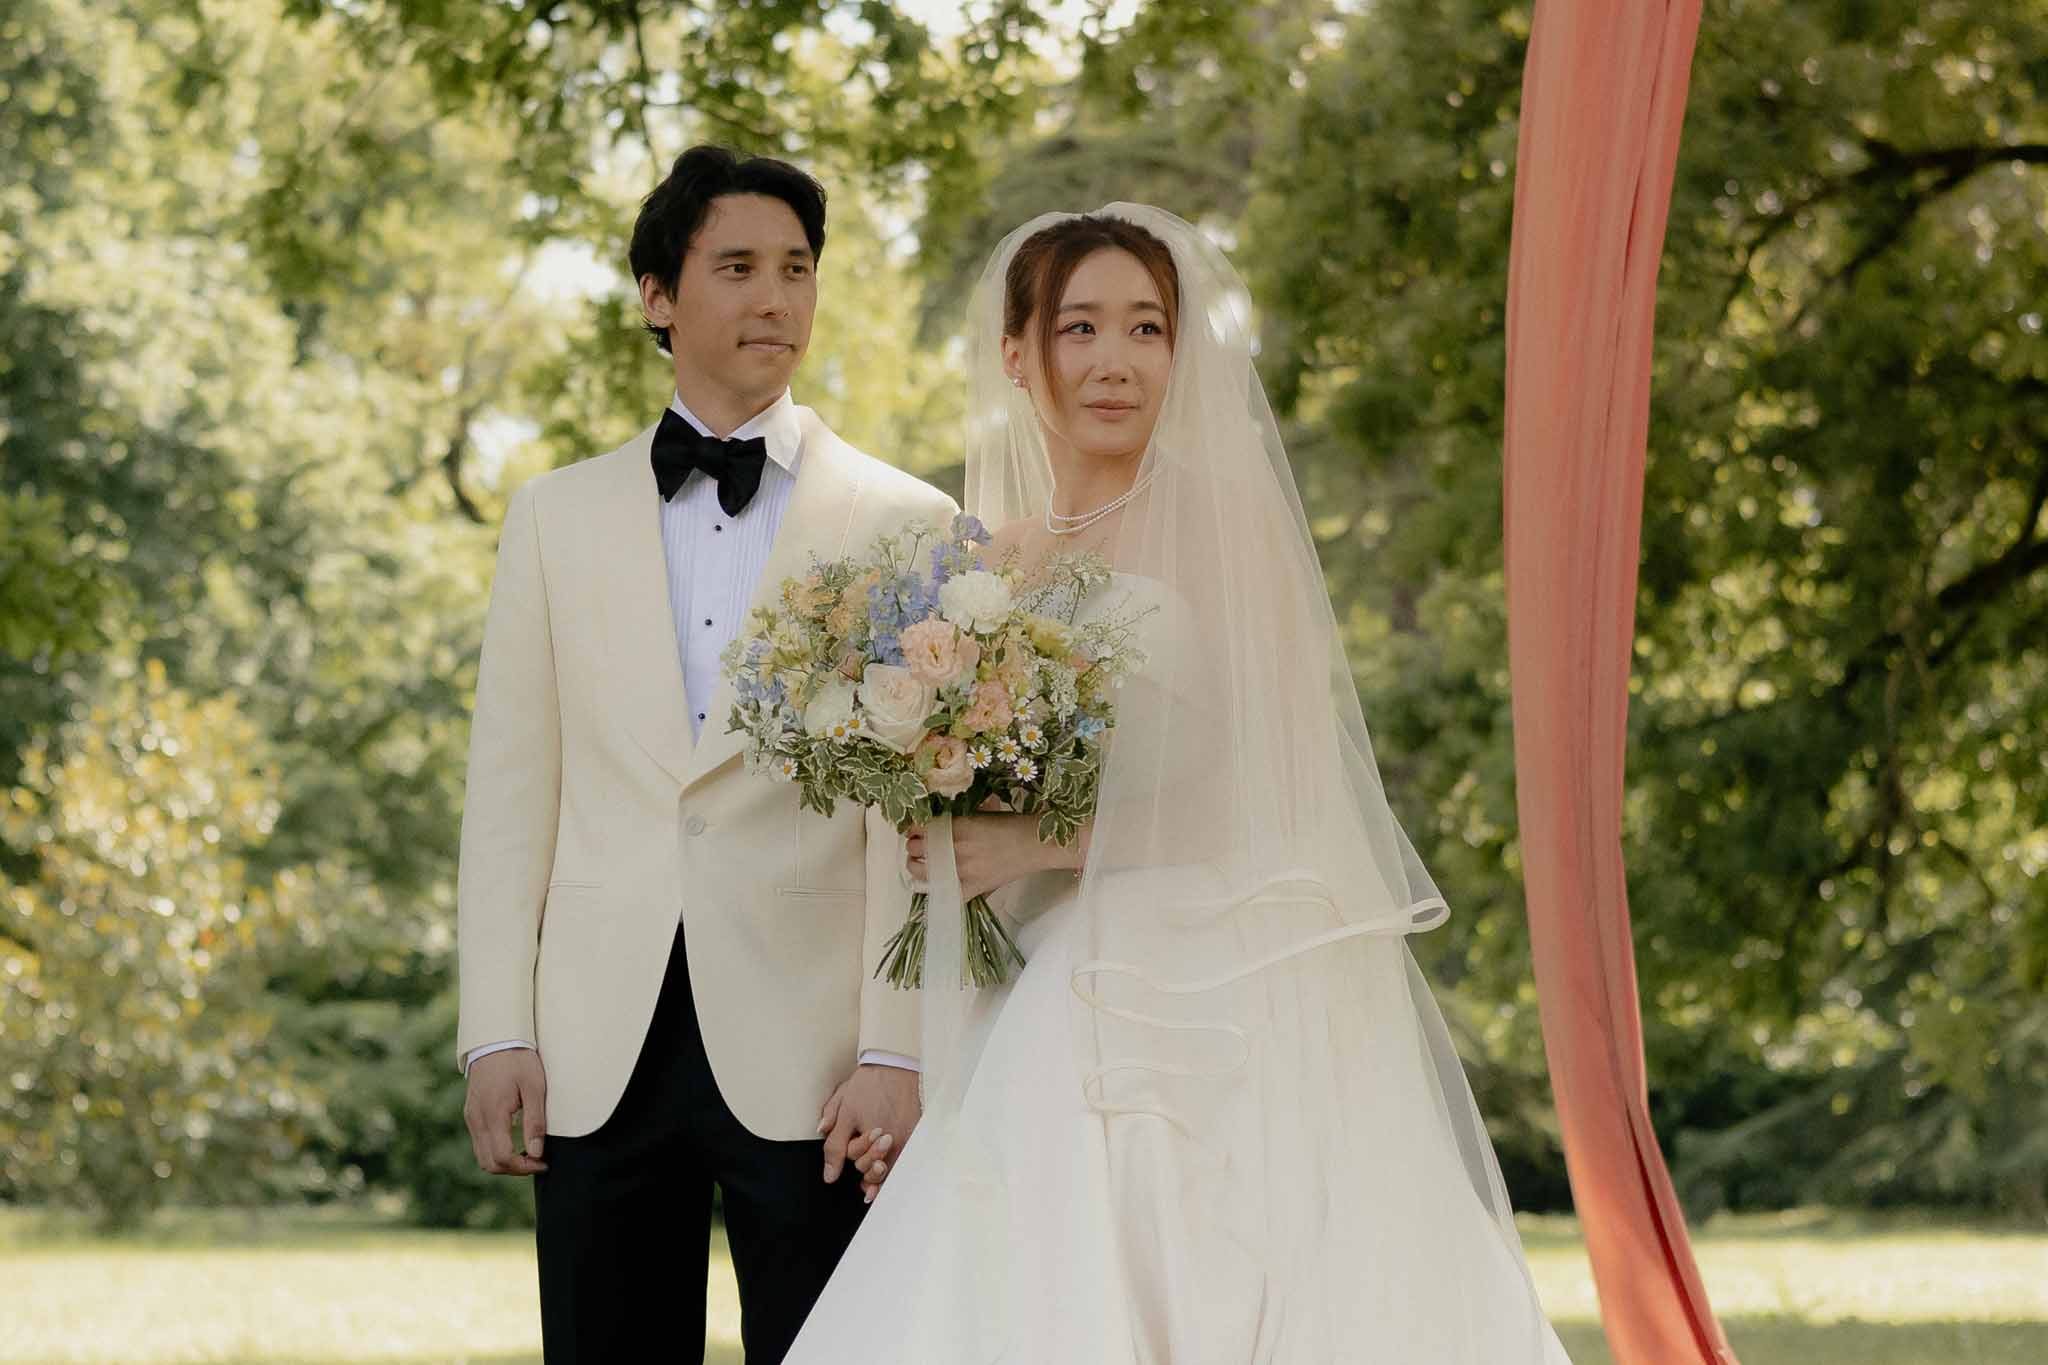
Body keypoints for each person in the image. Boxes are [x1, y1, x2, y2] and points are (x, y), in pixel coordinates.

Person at [783, 206, 1574, 1362]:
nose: (1115, 360)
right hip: (1046, 957)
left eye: (1145, 328)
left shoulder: (1221, 523)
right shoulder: (987, 563)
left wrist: (1041, 845)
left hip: (1217, 961)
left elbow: (1276, 787)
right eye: (1079, 328)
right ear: (1017, 355)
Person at [454, 144, 954, 1364]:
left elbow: (920, 819)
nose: (774, 297)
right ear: (658, 295)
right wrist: (494, 1029)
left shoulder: (906, 522)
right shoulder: (551, 517)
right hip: (595, 1046)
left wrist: (896, 1047)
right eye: (736, 267)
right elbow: (511, 798)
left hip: (820, 1058)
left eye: (796, 268)